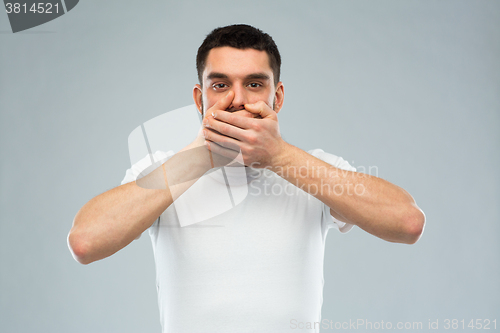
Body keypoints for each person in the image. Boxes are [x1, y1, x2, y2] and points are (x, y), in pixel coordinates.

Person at [68, 24, 425, 333]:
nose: (237, 100)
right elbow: (85, 242)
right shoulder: (161, 169)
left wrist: (280, 157)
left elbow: (408, 222)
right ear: (199, 99)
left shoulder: (313, 168)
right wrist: (199, 159)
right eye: (220, 85)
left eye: (254, 84)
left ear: (278, 96)